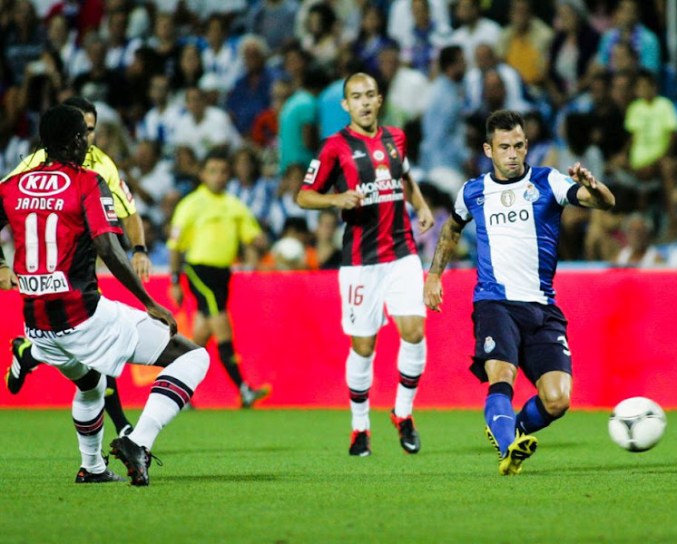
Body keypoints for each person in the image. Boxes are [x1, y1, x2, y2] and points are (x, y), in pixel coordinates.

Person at [0, 104, 209, 485]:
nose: (88, 142)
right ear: (73, 141)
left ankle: (93, 467)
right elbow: (109, 248)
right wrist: (149, 302)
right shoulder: (86, 182)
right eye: (84, 135)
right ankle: (139, 442)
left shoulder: (12, 185)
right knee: (194, 357)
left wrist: (2, 264)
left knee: (91, 386)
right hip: (84, 317)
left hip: (38, 324)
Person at [423, 110, 615, 475]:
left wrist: (594, 186)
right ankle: (508, 450)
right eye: (504, 147)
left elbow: (604, 203)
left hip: (542, 307)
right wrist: (434, 275)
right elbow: (451, 228)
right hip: (495, 302)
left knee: (557, 400)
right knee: (502, 374)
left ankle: (514, 431)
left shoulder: (548, 181)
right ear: (488, 150)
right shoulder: (473, 191)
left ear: (526, 146)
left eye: (518, 146)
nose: (512, 154)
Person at [296, 72, 435, 456]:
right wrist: (335, 200)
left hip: (402, 252)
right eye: (356, 97)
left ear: (379, 99)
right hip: (360, 261)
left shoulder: (396, 138)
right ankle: (360, 427)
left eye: (370, 95)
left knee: (414, 331)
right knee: (363, 346)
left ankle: (403, 413)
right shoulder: (334, 147)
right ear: (346, 104)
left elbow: (404, 177)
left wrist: (421, 205)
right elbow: (304, 196)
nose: (364, 102)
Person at [3, 96, 150, 439]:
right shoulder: (36, 163)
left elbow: (129, 211)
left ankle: (30, 354)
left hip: (81, 266)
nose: (87, 137)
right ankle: (119, 426)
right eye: (82, 130)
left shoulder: (103, 165)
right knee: (88, 342)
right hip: (47, 268)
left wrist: (140, 249)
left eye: (91, 130)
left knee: (87, 346)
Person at [167, 151, 271, 408]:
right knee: (223, 326)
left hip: (223, 273)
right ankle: (243, 389)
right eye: (213, 171)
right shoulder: (191, 204)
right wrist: (175, 280)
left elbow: (252, 235)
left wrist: (261, 240)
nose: (219, 176)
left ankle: (177, 389)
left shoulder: (234, 205)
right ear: (203, 174)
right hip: (199, 270)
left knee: (200, 338)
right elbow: (175, 245)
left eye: (223, 171)